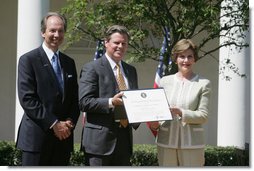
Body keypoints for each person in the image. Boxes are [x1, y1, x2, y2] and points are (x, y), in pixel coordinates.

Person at [16, 12, 80, 166]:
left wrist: (69, 122)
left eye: (60, 30)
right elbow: (27, 99)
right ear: (43, 32)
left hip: (63, 139)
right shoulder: (28, 60)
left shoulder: (69, 62)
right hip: (37, 140)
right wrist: (54, 124)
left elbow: (74, 98)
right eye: (52, 30)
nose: (57, 34)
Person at [79, 25, 139, 166]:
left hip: (124, 142)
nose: (120, 46)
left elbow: (135, 101)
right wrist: (111, 102)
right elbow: (84, 102)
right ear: (106, 43)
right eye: (116, 43)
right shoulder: (91, 68)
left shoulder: (131, 70)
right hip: (99, 144)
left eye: (124, 43)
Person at [150, 39, 211, 166]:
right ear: (176, 58)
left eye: (190, 57)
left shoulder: (204, 84)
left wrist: (181, 112)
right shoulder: (164, 81)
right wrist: (154, 124)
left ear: (195, 59)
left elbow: (203, 115)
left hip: (192, 145)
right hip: (165, 142)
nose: (186, 60)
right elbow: (157, 111)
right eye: (182, 56)